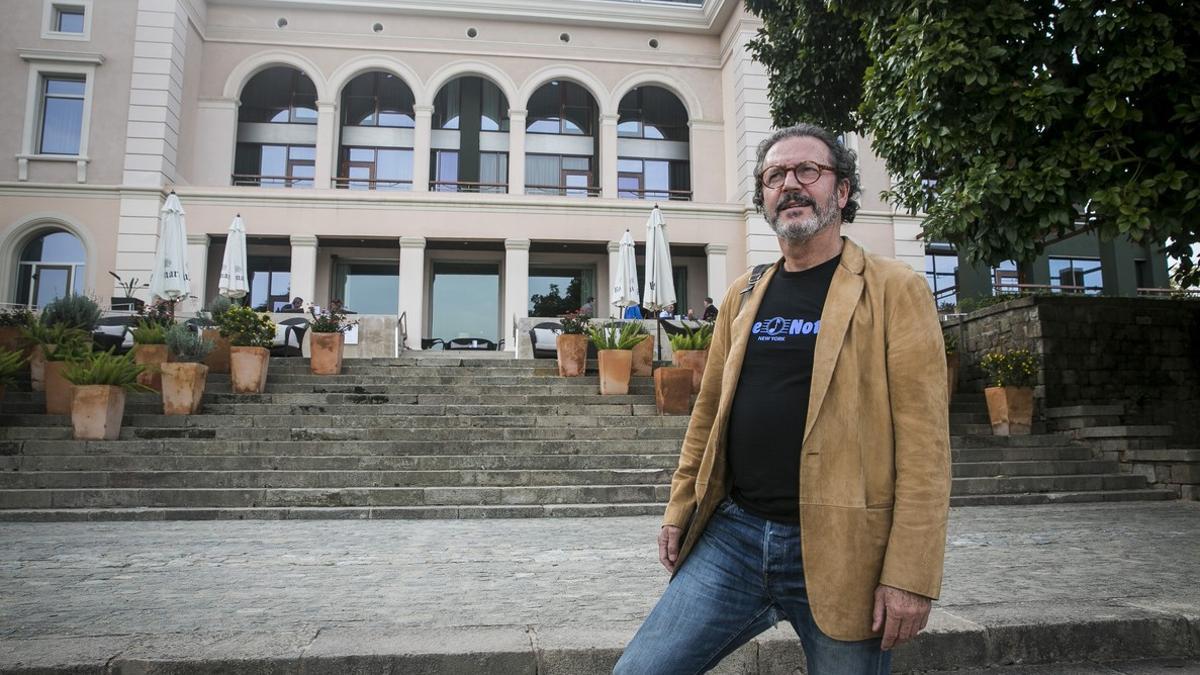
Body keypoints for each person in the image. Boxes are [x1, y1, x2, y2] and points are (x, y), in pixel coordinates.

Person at [614, 123, 951, 675]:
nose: (790, 185)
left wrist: (910, 575)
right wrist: (680, 508)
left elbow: (926, 448)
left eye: (807, 172)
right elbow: (708, 415)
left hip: (846, 548)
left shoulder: (894, 289)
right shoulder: (745, 292)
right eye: (775, 176)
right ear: (764, 198)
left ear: (841, 191)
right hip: (735, 538)